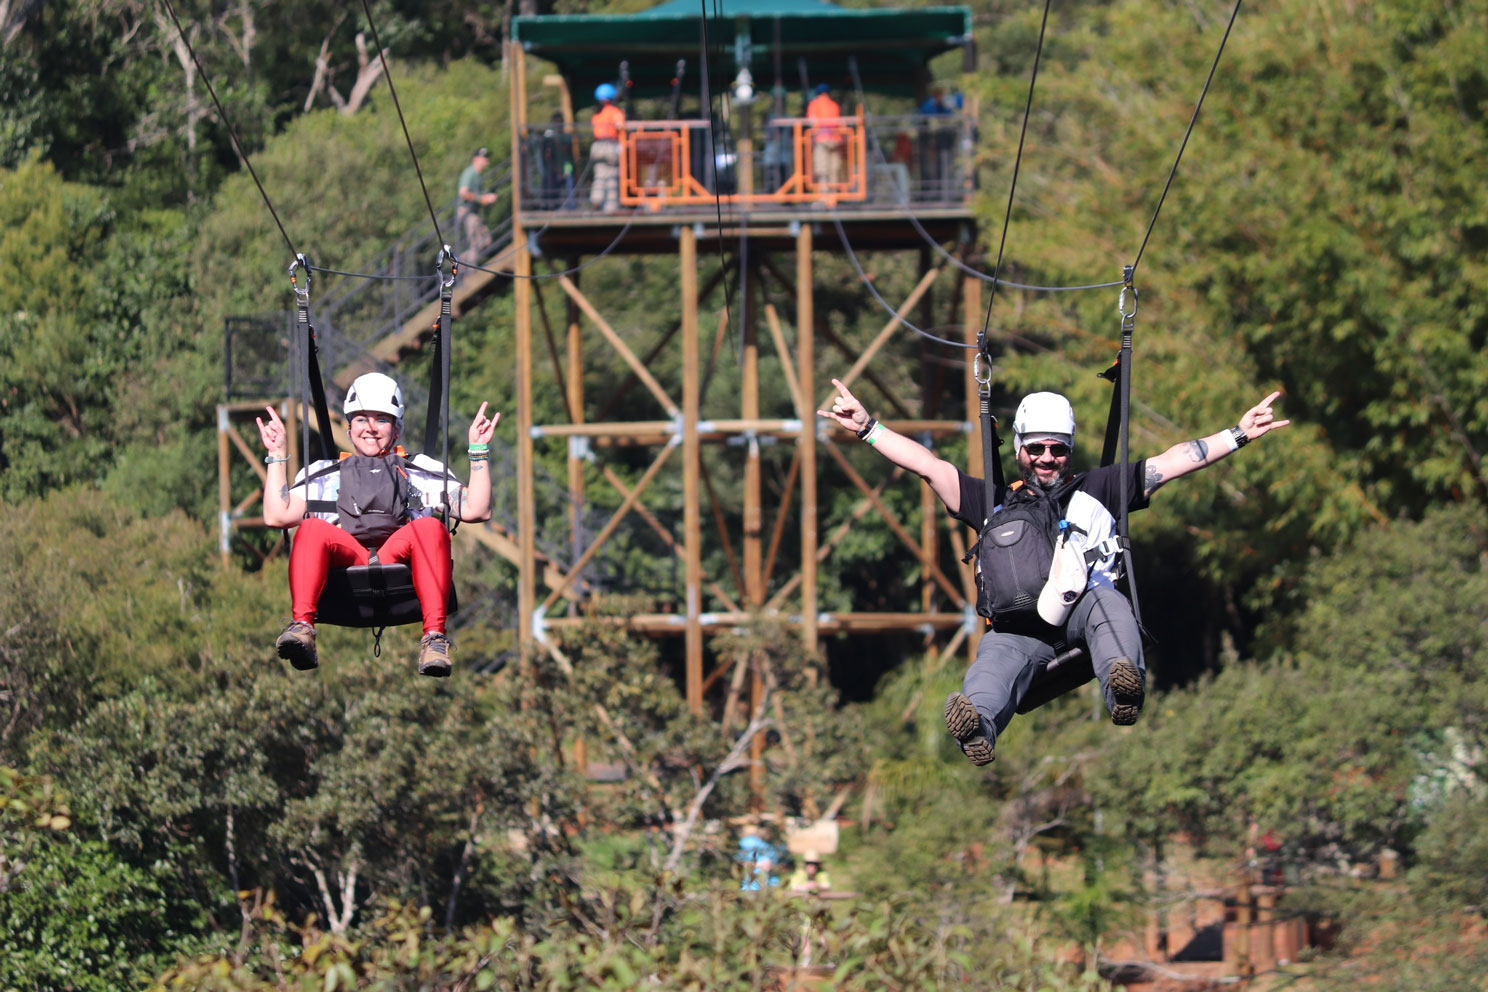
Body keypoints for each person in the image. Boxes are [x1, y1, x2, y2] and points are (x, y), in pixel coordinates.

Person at [817, 379, 1289, 765]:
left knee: (1108, 602)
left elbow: (1172, 462)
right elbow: (929, 466)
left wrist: (1238, 433)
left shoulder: (1100, 487)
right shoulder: (994, 501)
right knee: (991, 666)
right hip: (1020, 630)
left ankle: (1122, 690)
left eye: (1058, 450)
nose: (1047, 458)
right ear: (1020, 447)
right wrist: (868, 428)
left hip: (1084, 613)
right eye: (1038, 448)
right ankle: (977, 729)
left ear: (1069, 450)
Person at [256, 372, 499, 676]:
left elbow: (477, 509)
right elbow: (276, 515)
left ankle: (434, 639)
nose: (370, 428)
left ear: (396, 429)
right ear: (349, 426)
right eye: (361, 419)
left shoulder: (420, 471)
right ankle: (302, 628)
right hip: (345, 564)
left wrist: (478, 452)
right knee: (311, 529)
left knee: (429, 528)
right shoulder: (325, 474)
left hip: (401, 563)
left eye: (381, 420)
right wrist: (277, 455)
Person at [456, 148, 499, 259]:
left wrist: (486, 198)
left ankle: (460, 262)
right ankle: (467, 269)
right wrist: (482, 199)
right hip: (467, 211)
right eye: (484, 158)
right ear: (476, 159)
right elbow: (463, 193)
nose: (486, 161)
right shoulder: (470, 172)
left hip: (473, 212)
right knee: (475, 244)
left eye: (487, 158)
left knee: (485, 241)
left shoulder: (477, 175)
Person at [589, 83, 626, 212]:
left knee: (599, 175)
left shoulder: (596, 113)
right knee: (612, 176)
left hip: (597, 146)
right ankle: (611, 206)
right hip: (610, 145)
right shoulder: (615, 112)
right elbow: (620, 126)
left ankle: (596, 200)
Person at [805, 82, 845, 192]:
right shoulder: (834, 105)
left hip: (822, 139)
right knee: (834, 168)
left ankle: (824, 195)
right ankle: (834, 196)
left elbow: (812, 121)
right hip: (835, 139)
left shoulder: (814, 104)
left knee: (822, 169)